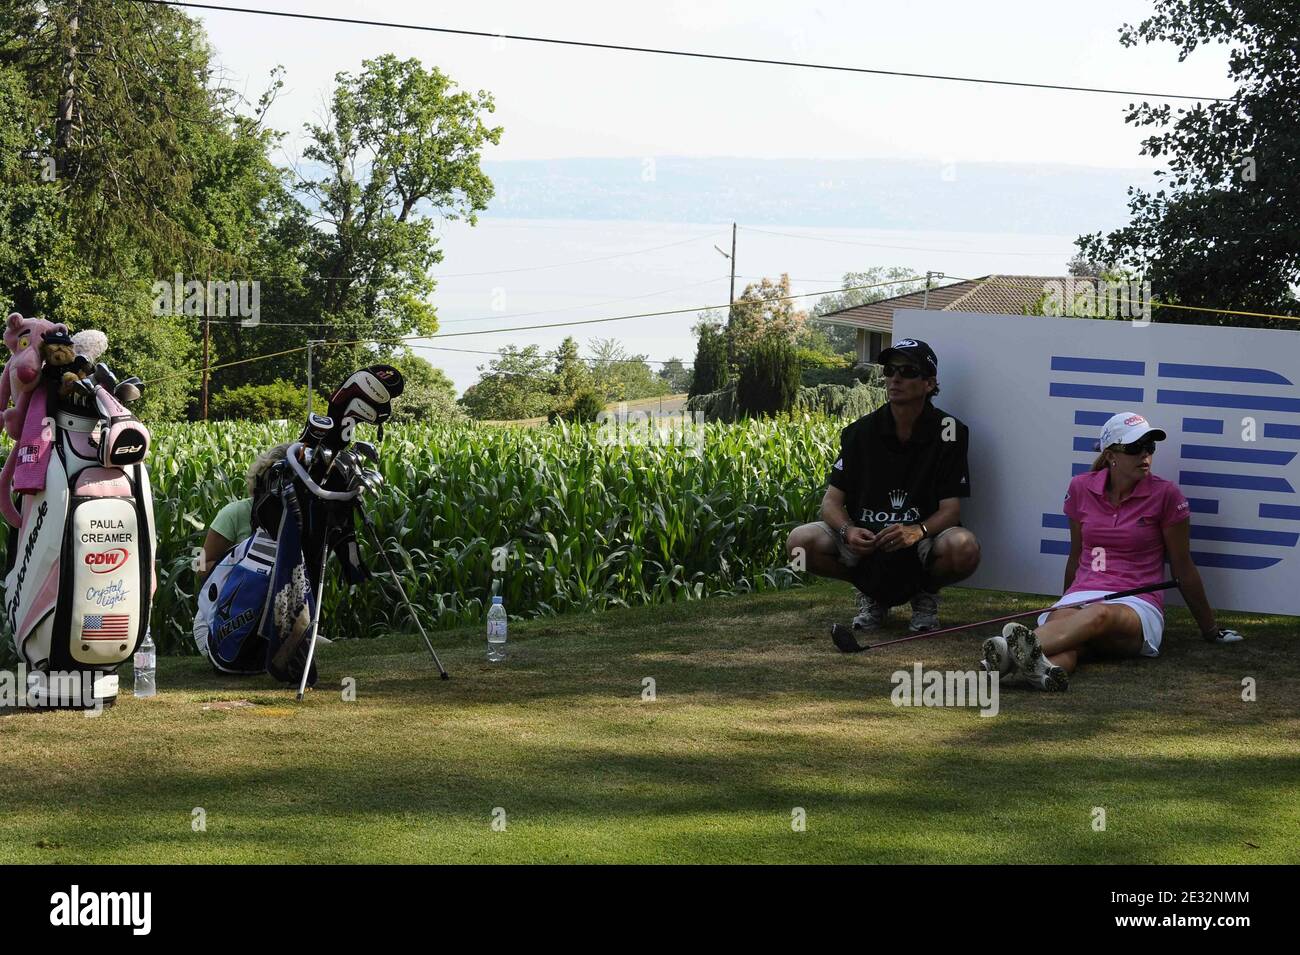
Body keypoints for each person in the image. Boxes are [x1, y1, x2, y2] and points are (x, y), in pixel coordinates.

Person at [985, 412, 1242, 691]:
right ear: (1110, 456)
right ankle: (1045, 673)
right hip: (1085, 593)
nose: (1145, 455)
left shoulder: (1167, 495)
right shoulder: (1080, 487)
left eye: (1149, 447)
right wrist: (1067, 601)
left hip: (1137, 605)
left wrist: (1210, 631)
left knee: (1098, 615)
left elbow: (1183, 566)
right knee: (1070, 634)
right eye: (1134, 448)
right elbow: (1076, 554)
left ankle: (1008, 655)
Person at [786, 338, 981, 633]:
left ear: (929, 384)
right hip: (867, 538)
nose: (895, 378)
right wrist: (847, 530)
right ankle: (870, 592)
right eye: (890, 370)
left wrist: (918, 531)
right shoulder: (859, 432)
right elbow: (831, 503)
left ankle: (923, 593)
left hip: (922, 539)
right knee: (798, 544)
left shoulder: (950, 431)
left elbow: (951, 510)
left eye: (908, 371)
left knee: (965, 548)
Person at [198, 442, 291, 581]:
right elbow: (201, 567)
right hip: (239, 600)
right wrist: (246, 569)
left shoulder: (307, 520)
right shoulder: (235, 514)